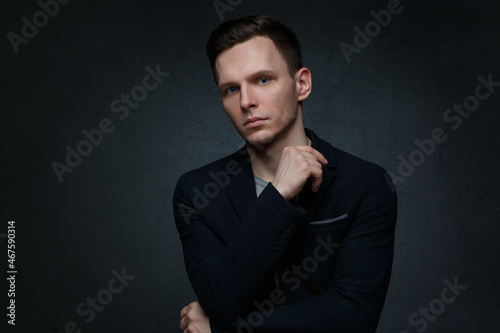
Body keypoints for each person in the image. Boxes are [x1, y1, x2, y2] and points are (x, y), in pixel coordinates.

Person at [173, 15, 397, 333]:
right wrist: (278, 194)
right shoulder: (196, 191)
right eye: (231, 89)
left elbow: (353, 315)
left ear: (301, 84)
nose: (247, 101)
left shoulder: (367, 184)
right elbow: (220, 298)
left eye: (263, 80)